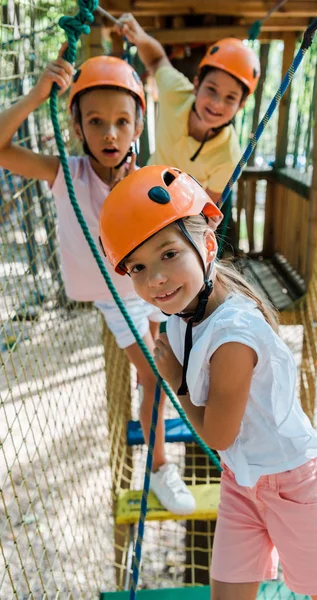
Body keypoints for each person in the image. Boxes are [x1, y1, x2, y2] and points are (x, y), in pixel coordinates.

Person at [99, 165, 317, 600]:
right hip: (242, 479)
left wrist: (177, 381)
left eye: (168, 254)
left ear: (207, 244)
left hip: (293, 483)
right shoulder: (185, 309)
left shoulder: (234, 337)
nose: (155, 279)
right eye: (138, 267)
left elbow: (218, 433)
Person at [0, 46, 195, 516]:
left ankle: (214, 439)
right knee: (152, 376)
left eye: (122, 122)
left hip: (157, 287)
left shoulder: (148, 179)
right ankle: (160, 468)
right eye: (95, 122)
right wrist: (34, 96)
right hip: (118, 297)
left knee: (184, 359)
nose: (110, 133)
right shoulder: (64, 173)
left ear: (138, 126)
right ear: (76, 126)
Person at [114, 14, 260, 204]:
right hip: (144, 190)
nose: (216, 103)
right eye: (211, 89)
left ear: (241, 105)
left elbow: (207, 208)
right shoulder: (176, 92)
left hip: (182, 217)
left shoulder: (229, 157)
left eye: (230, 98)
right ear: (197, 84)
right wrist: (140, 37)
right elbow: (157, 60)